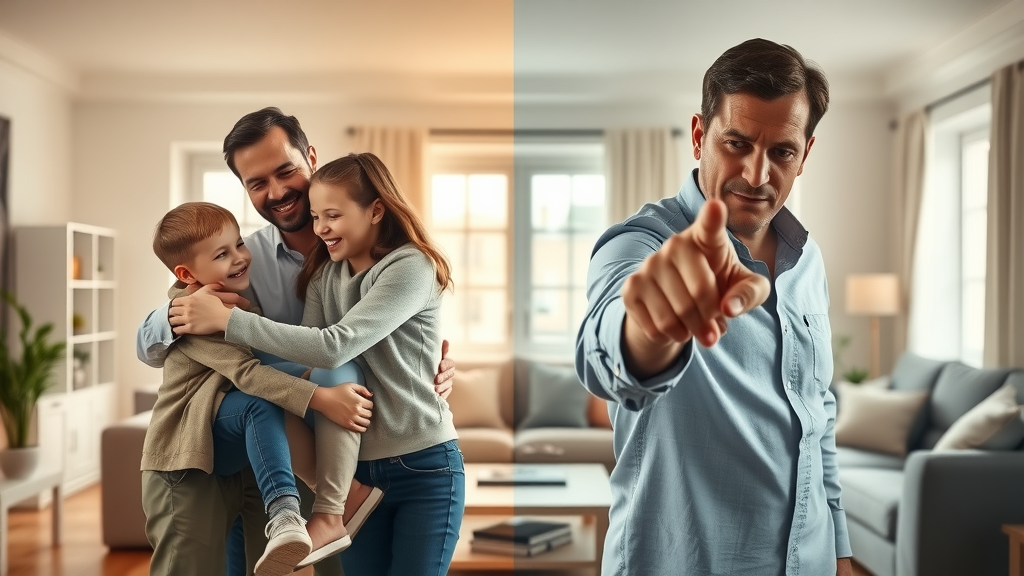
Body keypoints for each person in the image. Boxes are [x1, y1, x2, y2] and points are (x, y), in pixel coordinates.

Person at [136, 108, 456, 576]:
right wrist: (177, 316)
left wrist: (431, 362)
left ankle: (333, 506)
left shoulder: (378, 264)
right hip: (274, 443)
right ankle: (328, 505)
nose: (276, 191)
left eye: (285, 171)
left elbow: (350, 341)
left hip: (349, 441)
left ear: (311, 158)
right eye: (257, 183)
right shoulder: (244, 257)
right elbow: (154, 342)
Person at [575, 38, 853, 576]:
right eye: (737, 143)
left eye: (782, 152)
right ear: (700, 136)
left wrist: (838, 549)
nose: (757, 174)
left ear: (805, 155)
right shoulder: (642, 244)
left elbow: (816, 412)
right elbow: (606, 349)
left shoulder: (809, 260)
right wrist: (653, 328)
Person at [143, 201, 382, 576]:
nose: (239, 257)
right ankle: (287, 512)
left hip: (234, 438)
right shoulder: (193, 313)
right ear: (187, 273)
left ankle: (321, 502)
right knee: (259, 400)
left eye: (239, 244)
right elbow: (248, 374)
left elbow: (265, 363)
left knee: (278, 393)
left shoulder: (235, 304)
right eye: (222, 254)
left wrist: (321, 376)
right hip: (184, 444)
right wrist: (320, 397)